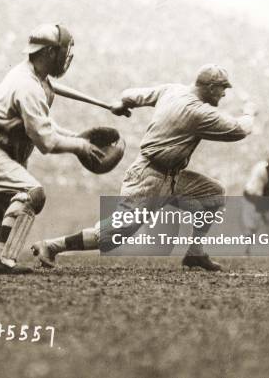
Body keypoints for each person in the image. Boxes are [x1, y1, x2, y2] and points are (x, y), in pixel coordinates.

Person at [31, 64, 257, 271]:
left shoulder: (172, 90)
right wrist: (249, 113)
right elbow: (239, 130)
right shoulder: (198, 112)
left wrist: (124, 104)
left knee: (214, 194)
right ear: (209, 87)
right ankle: (51, 246)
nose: (224, 93)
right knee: (114, 234)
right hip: (148, 178)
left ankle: (195, 253)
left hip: (172, 177)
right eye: (222, 88)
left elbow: (129, 95)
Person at [0, 23, 105, 274]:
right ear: (48, 53)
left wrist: (77, 137)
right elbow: (46, 142)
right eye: (61, 51)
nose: (66, 58)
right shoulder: (28, 87)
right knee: (32, 194)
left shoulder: (33, 78)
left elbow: (47, 124)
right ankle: (1, 260)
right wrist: (79, 145)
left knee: (4, 216)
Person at [242, 148, 269, 257]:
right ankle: (246, 251)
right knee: (253, 224)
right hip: (252, 196)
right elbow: (257, 190)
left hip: (266, 198)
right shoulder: (261, 169)